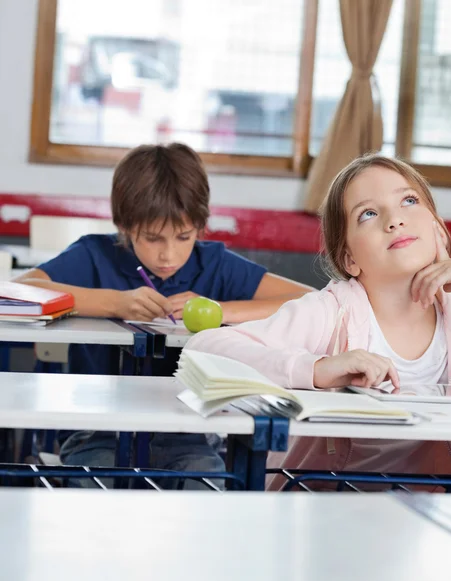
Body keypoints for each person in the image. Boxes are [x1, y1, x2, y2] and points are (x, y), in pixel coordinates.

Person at [184, 153, 451, 491]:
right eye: (368, 214)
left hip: (439, 521)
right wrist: (316, 369)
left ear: (437, 230)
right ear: (349, 259)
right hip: (326, 510)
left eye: (408, 201)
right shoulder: (329, 312)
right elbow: (203, 352)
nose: (394, 220)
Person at [14, 142, 314, 488]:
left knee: (211, 495)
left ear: (200, 226)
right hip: (98, 429)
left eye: (184, 236)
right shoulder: (96, 255)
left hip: (189, 430)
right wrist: (113, 302)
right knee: (95, 505)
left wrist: (220, 310)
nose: (168, 254)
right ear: (124, 225)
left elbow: (306, 299)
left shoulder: (213, 264)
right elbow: (21, 290)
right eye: (152, 238)